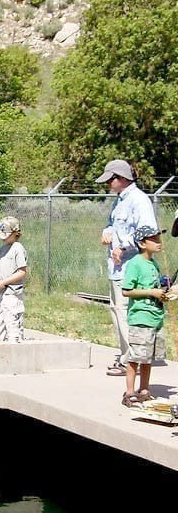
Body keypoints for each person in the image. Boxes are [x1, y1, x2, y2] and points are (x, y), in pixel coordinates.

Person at [96, 159, 157, 376]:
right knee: (117, 312)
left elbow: (148, 230)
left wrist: (123, 246)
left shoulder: (139, 201)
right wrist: (108, 230)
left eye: (110, 180)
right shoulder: (119, 200)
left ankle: (133, 361)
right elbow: (114, 223)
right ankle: (126, 357)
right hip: (116, 268)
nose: (107, 184)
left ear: (121, 178)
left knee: (127, 314)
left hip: (131, 269)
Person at [120, 225, 170, 407]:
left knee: (148, 358)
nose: (158, 242)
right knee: (136, 357)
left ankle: (144, 389)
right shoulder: (135, 263)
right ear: (142, 243)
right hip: (141, 319)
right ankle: (130, 392)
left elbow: (156, 288)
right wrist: (151, 292)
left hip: (155, 318)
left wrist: (164, 293)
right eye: (154, 239)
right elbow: (126, 291)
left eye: (158, 238)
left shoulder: (154, 264)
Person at [0, 216, 28, 343]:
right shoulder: (3, 248)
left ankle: (15, 349)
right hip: (0, 293)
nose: (3, 238)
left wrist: (4, 282)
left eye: (6, 235)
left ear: (16, 233)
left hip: (12, 294)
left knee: (12, 323)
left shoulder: (18, 248)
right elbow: (1, 267)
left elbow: (22, 272)